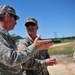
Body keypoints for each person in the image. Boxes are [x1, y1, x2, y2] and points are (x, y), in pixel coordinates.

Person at [0, 5, 54, 75]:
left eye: (32, 24)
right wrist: (35, 47)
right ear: (7, 16)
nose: (16, 23)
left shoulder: (5, 35)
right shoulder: (23, 42)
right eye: (15, 18)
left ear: (37, 27)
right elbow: (12, 59)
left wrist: (49, 60)